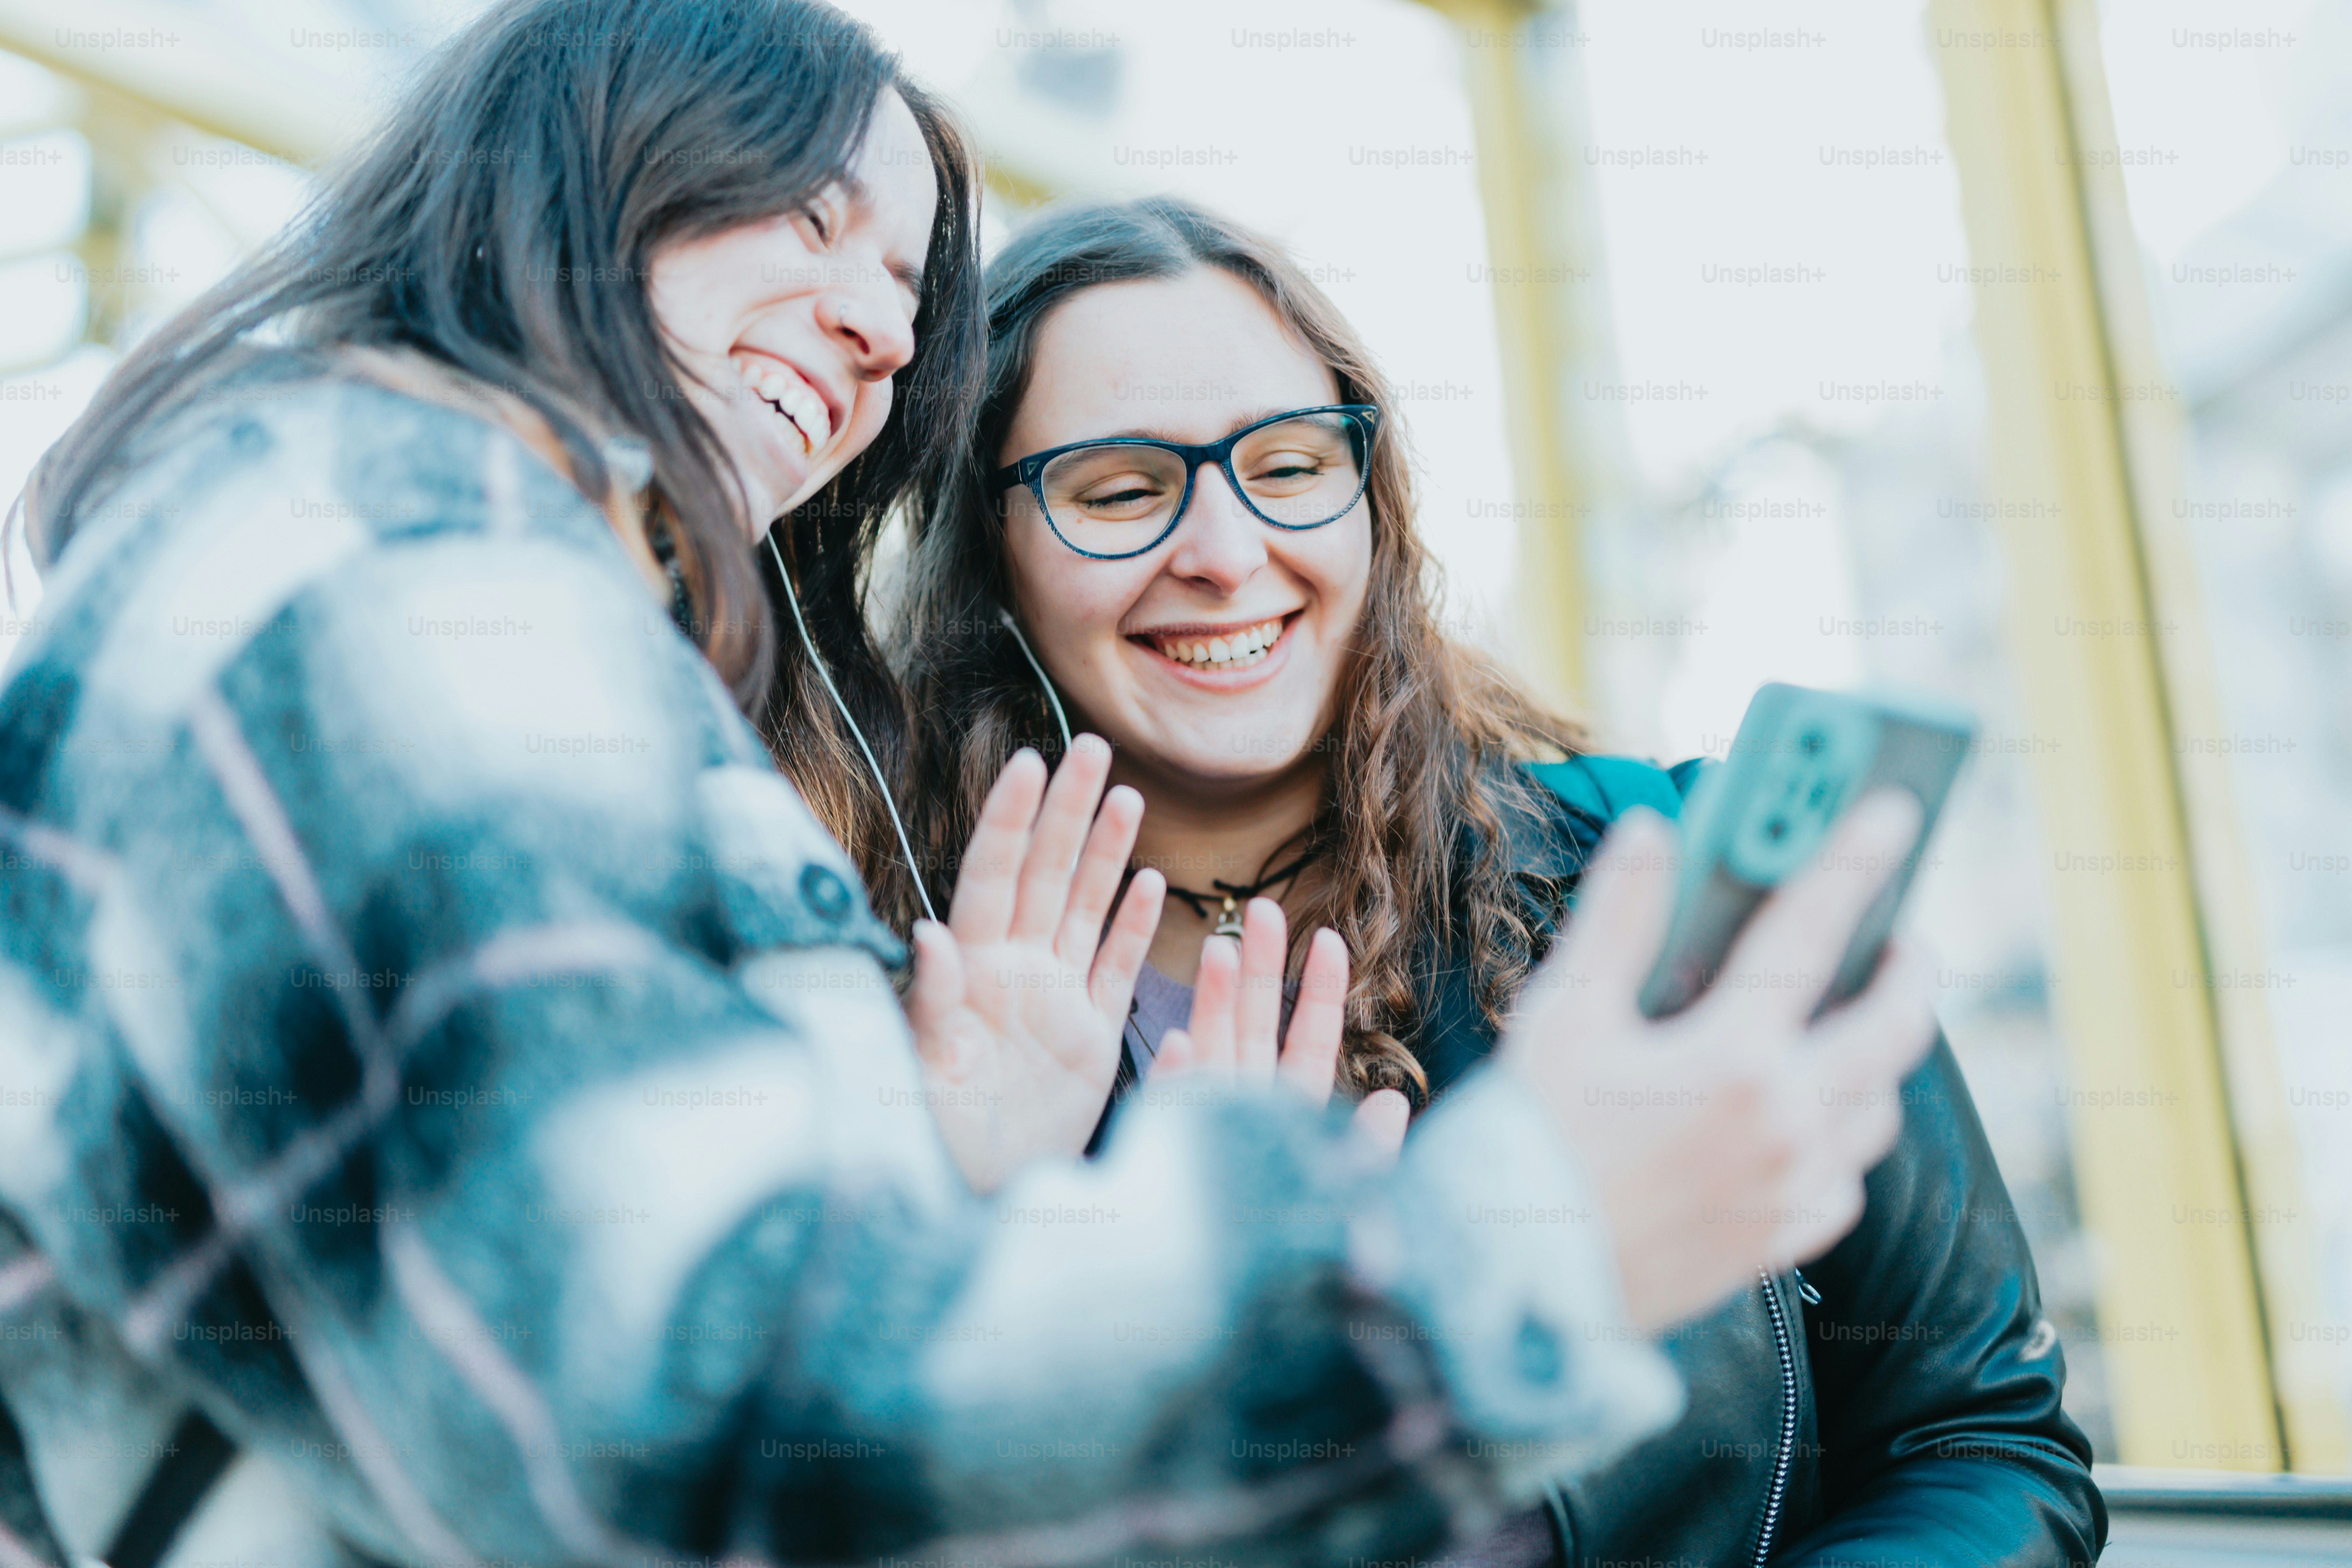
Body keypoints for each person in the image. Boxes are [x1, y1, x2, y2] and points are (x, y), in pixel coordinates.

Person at [0, 2, 1940, 1563]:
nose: (877, 325)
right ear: (578, 148)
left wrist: (948, 1184)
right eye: (815, 212)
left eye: (912, 285)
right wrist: (1525, 1244)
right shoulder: (416, 585)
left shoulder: (441, 599)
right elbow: (677, 1440)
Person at [892, 196, 2107, 1568]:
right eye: (1122, 491)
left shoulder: (1680, 879)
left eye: (1288, 467)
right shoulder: (909, 1022)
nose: (1226, 554)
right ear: (988, 551)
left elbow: (1977, 1441)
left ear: (1375, 499)